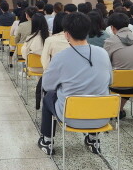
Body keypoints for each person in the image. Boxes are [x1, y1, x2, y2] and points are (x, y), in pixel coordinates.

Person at [38, 13, 112, 155]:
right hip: (102, 117)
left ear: (66, 34)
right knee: (96, 93)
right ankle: (93, 139)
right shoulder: (103, 53)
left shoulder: (61, 57)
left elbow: (47, 86)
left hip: (71, 117)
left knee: (48, 97)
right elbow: (111, 81)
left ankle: (47, 141)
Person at [103, 13, 133, 116]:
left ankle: (110, 109)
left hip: (118, 86)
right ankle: (119, 109)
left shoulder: (110, 41)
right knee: (127, 73)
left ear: (112, 27)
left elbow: (105, 64)